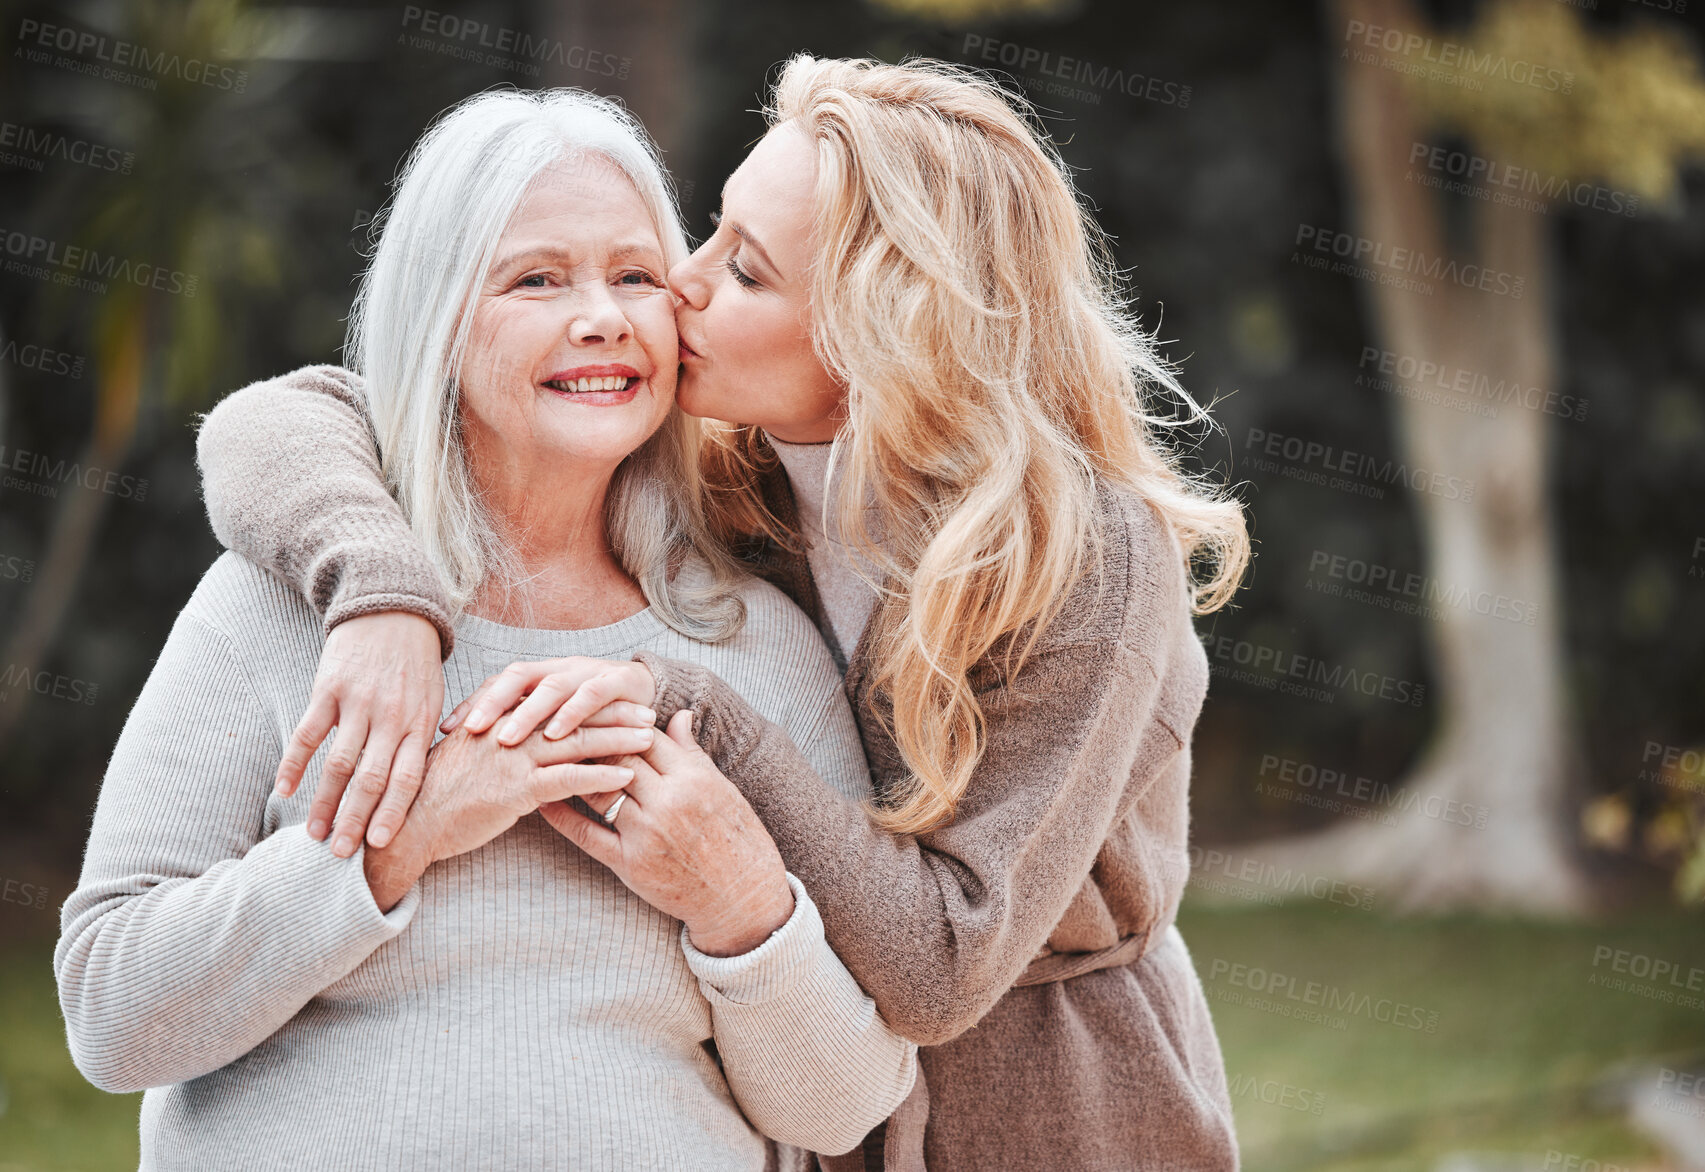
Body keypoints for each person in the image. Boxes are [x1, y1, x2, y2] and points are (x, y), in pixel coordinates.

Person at [195, 56, 1249, 1171]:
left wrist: (689, 702)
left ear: (878, 332)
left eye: (743, 270)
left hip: (1054, 1110)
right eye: (709, 233)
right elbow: (277, 419)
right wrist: (380, 599)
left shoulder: (1079, 551)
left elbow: (944, 957)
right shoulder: (718, 477)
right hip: (810, 1107)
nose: (679, 285)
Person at [53, 86, 916, 1172]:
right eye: (537, 278)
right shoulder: (278, 604)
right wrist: (400, 834)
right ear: (442, 315)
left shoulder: (754, 645)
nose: (601, 314)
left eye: (636, 276)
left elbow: (841, 1108)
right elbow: (111, 1012)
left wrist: (738, 901)